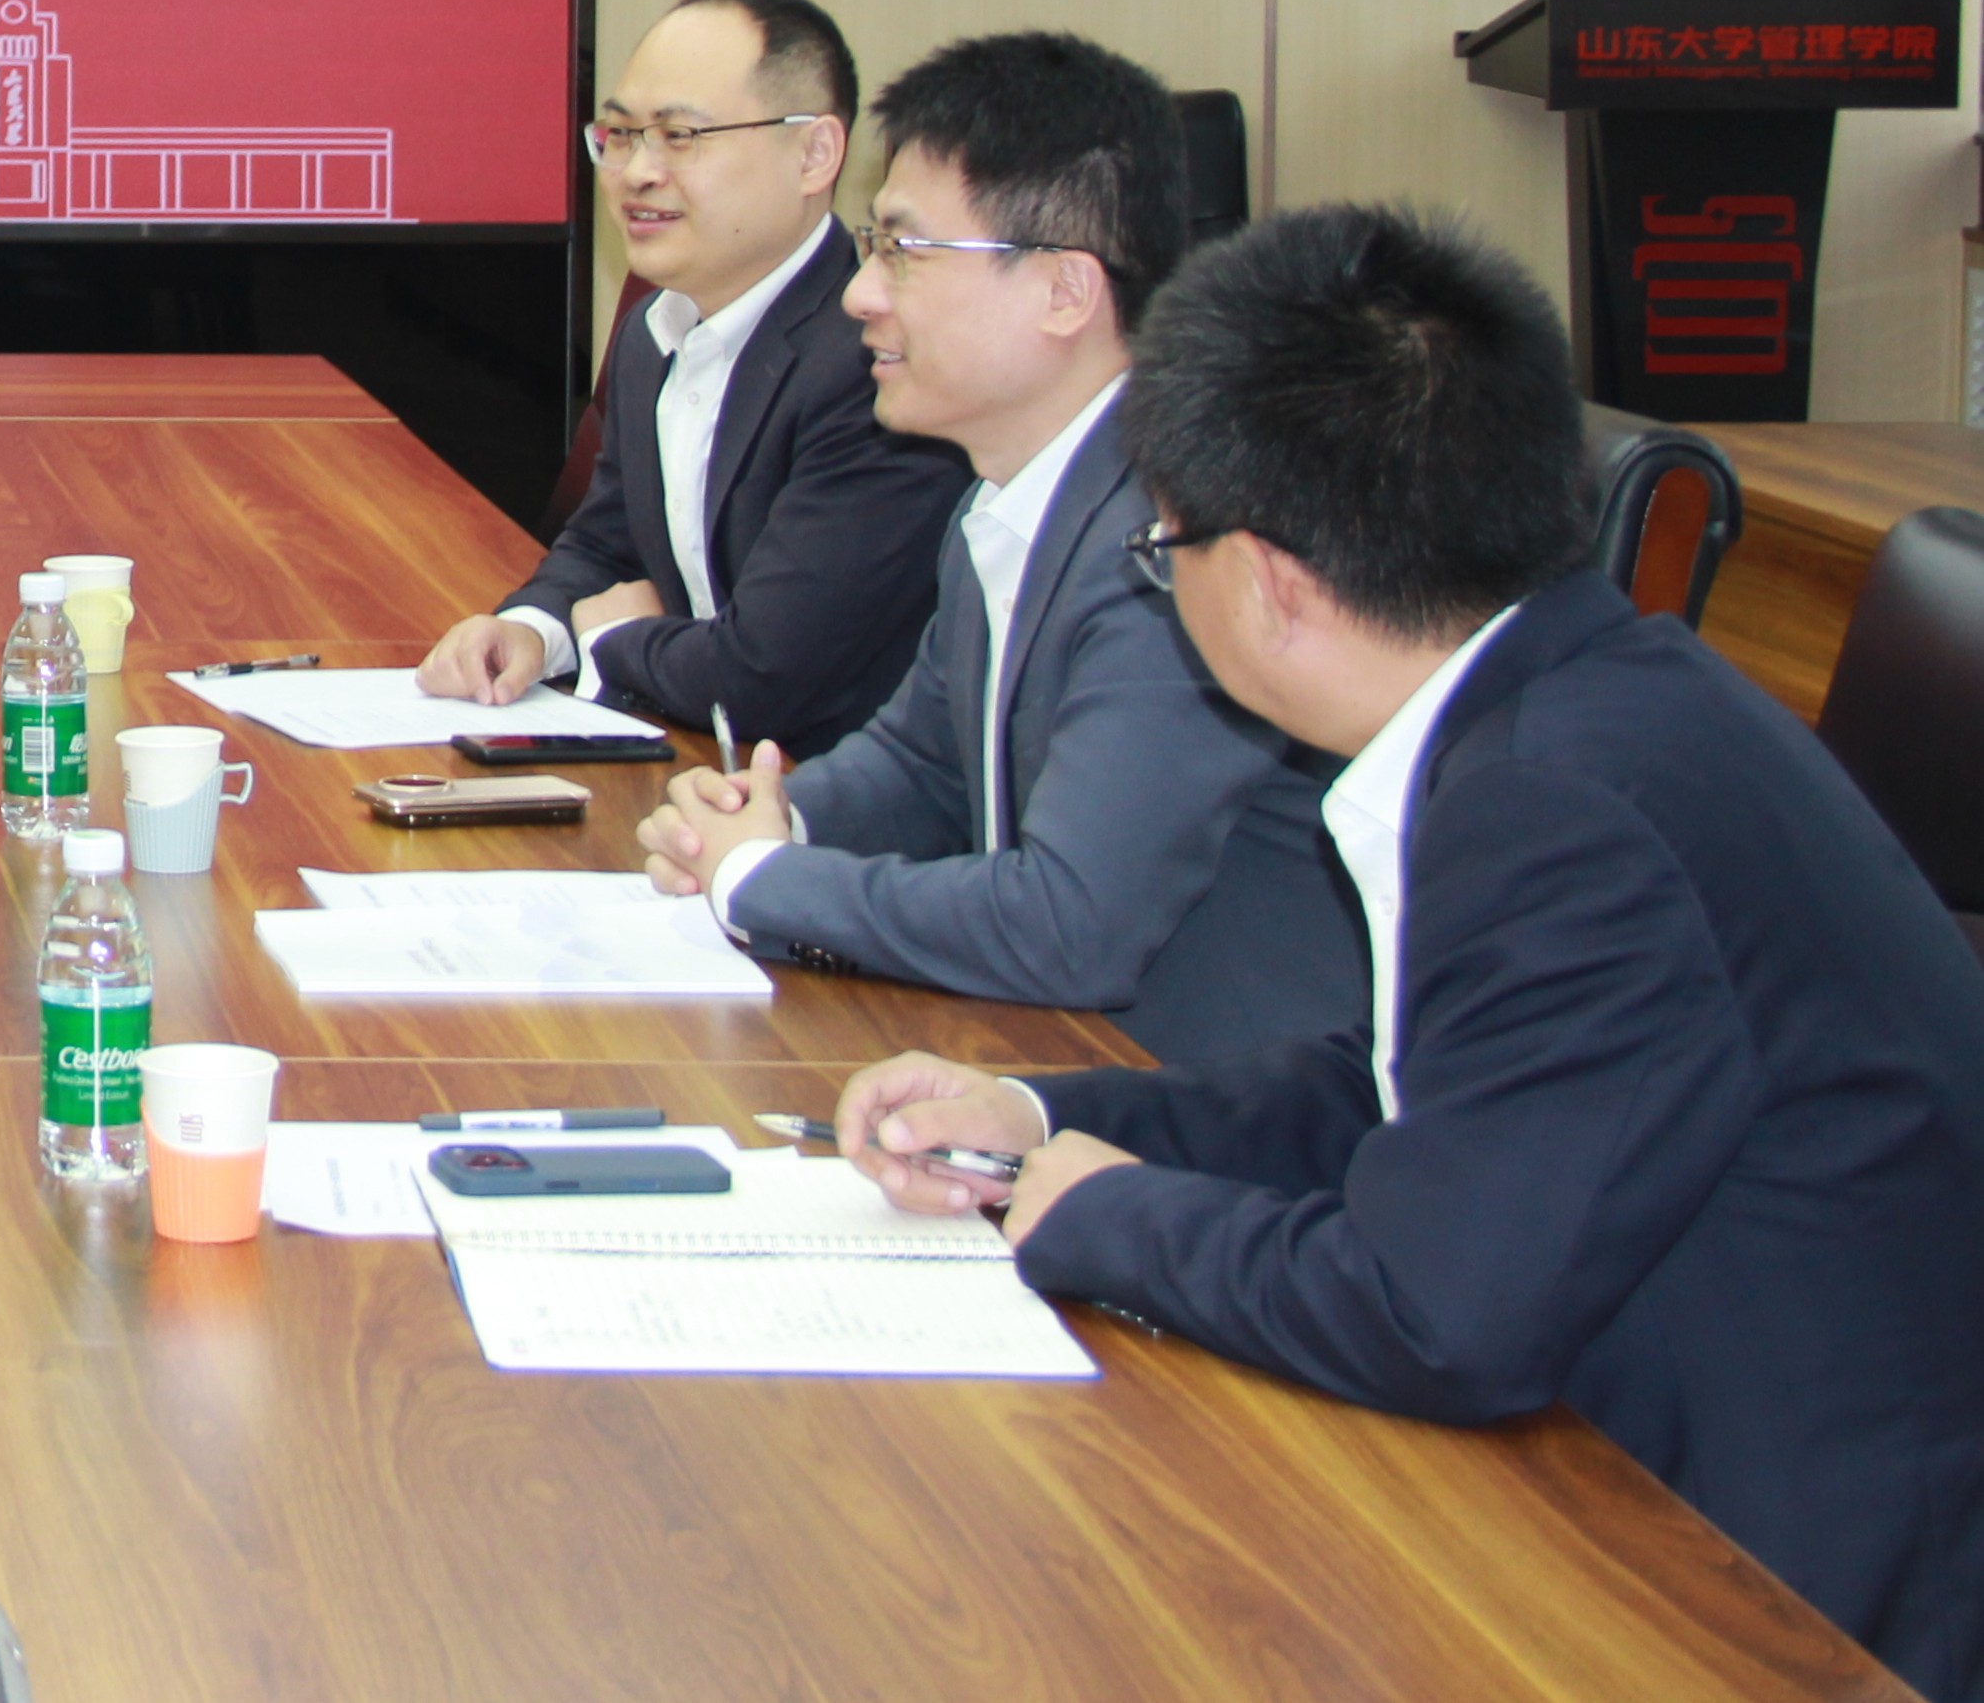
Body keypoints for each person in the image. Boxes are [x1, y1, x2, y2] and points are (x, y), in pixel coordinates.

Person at [833, 205, 1984, 1700]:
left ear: (1271, 581)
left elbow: (1436, 1313)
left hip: (1769, 1588)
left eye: (1160, 547)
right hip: (1651, 1451)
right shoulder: (1568, 695)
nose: (1160, 580)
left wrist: (1104, 1217)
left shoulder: (1556, 805)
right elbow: (1407, 1089)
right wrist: (1046, 1116)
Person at [638, 33, 1360, 1062]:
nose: (859, 293)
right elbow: (925, 762)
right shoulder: (1011, 487)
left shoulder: (1178, 539)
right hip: (1046, 1062)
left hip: (1198, 1104)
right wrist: (771, 816)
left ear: (1064, 290)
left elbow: (1068, 923)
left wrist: (759, 877)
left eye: (904, 249)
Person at [419, 0, 967, 756]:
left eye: (680, 135)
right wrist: (531, 629)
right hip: (697, 762)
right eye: (619, 134)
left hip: (820, 792)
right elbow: (604, 542)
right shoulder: (656, 328)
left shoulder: (875, 363)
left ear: (814, 153)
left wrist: (613, 641)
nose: (636, 171)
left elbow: (765, 673)